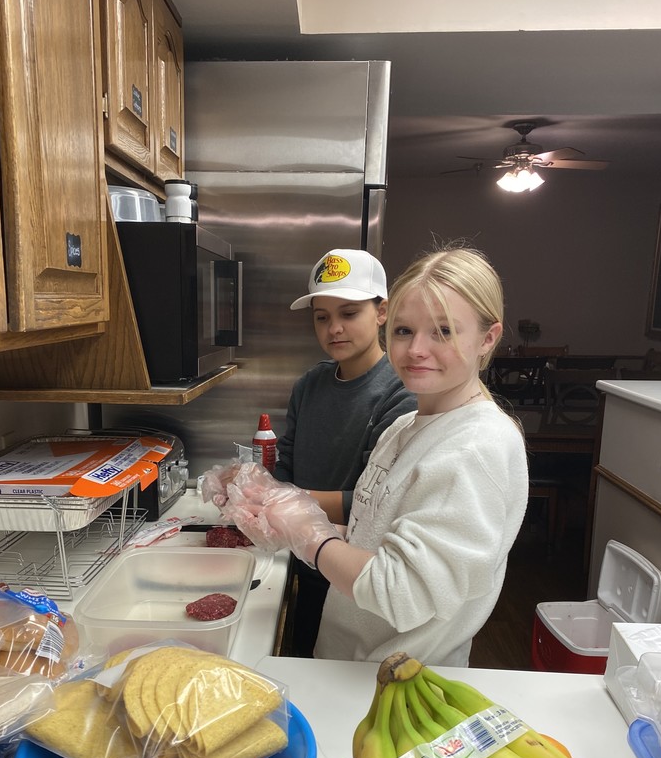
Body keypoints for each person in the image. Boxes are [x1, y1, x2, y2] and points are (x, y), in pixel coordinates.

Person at [209, 245, 529, 666]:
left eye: (443, 331)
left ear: (488, 338)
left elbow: (402, 593)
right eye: (404, 331)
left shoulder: (476, 446)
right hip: (351, 664)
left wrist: (311, 534)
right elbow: (372, 538)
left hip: (399, 684)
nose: (416, 349)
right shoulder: (405, 428)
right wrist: (279, 511)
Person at [272, 248, 418, 657]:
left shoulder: (400, 394)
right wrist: (264, 492)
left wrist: (281, 504)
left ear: (382, 312)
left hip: (354, 572)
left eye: (349, 313)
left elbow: (376, 504)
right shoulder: (309, 385)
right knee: (300, 659)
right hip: (301, 558)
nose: (334, 328)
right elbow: (285, 462)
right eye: (322, 317)